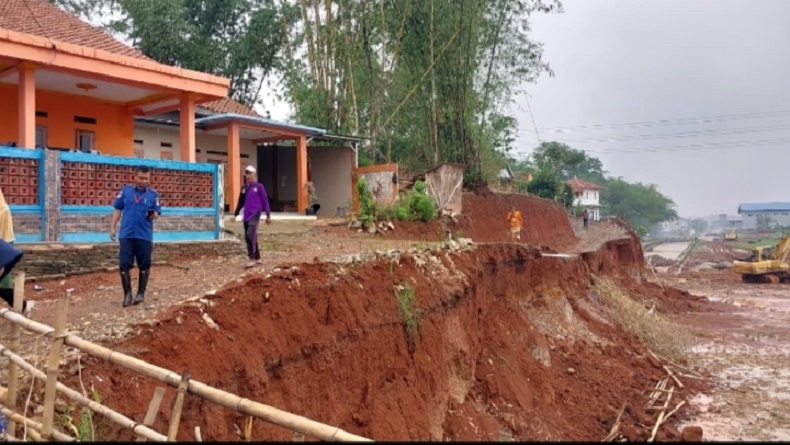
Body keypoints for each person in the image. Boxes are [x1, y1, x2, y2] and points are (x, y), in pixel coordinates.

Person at [110, 165, 161, 307]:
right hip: (126, 234)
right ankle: (127, 295)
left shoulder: (153, 195)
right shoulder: (125, 191)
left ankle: (140, 294)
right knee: (124, 265)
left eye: (146, 178)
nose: (143, 181)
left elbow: (157, 213)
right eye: (141, 178)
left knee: (144, 265)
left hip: (144, 235)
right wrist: (112, 227)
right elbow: (117, 209)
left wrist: (154, 214)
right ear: (135, 177)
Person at [0, 187, 33, 317]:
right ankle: (22, 306)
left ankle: (22, 306)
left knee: (3, 284)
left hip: (3, 246)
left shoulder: (3, 211)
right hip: (4, 246)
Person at [233, 165, 271, 267]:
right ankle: (258, 257)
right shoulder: (244, 188)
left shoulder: (259, 187)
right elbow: (240, 202)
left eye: (250, 173)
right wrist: (235, 214)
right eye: (247, 174)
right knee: (249, 236)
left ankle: (252, 258)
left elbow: (265, 201)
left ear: (254, 175)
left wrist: (268, 215)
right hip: (246, 215)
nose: (248, 176)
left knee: (250, 234)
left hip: (255, 214)